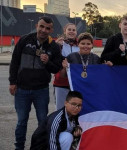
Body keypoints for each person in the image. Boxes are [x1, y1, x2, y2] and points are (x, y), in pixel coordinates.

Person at [8, 16, 62, 150]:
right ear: (37, 25)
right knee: (21, 122)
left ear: (51, 30)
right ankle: (19, 147)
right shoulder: (25, 40)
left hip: (41, 90)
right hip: (22, 89)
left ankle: (40, 147)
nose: (44, 30)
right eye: (42, 26)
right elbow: (14, 62)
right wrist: (12, 82)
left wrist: (47, 62)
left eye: (47, 28)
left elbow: (56, 69)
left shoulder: (53, 46)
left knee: (43, 121)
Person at [53, 23, 79, 110]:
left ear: (76, 32)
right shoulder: (59, 44)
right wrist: (56, 46)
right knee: (60, 109)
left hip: (76, 82)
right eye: (69, 29)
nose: (71, 32)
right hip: (61, 82)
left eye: (73, 30)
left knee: (75, 109)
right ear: (65, 31)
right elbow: (52, 59)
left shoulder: (80, 45)